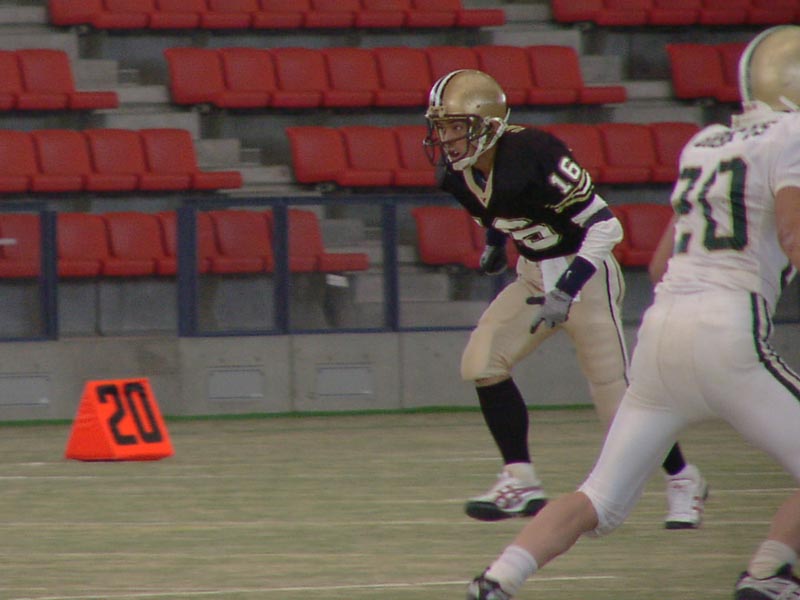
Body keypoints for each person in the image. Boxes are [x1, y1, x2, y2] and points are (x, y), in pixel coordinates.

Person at [466, 24, 800, 600]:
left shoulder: (705, 142)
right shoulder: (792, 135)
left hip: (663, 331)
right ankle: (769, 571)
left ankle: (498, 579)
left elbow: (661, 260)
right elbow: (792, 233)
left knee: (599, 497)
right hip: (729, 330)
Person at [423, 69, 707, 529]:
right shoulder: (455, 175)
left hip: (585, 275)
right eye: (441, 126)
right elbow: (498, 210)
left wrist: (567, 288)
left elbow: (606, 227)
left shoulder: (535, 152)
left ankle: (683, 478)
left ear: (488, 125)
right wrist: (496, 244)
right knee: (482, 362)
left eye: (457, 126)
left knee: (617, 401)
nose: (446, 138)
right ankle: (520, 480)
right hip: (534, 275)